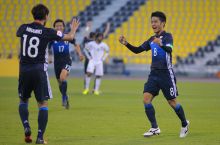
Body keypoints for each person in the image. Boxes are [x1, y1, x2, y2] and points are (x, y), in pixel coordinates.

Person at [119, 11, 189, 138]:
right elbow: (137, 50)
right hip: (153, 74)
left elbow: (170, 49)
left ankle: (185, 124)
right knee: (146, 99)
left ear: (163, 23)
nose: (153, 24)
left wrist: (161, 44)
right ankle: (154, 128)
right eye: (152, 22)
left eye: (156, 21)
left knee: (172, 102)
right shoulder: (151, 39)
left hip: (166, 74)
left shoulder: (168, 36)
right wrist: (126, 43)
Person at [16, 4, 79, 144]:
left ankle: (26, 126)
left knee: (23, 100)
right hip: (39, 71)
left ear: (33, 15)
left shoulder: (23, 28)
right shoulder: (48, 31)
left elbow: (20, 35)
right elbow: (69, 37)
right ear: (46, 17)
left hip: (24, 70)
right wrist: (73, 29)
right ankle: (39, 137)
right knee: (43, 104)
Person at [49, 19, 83, 109]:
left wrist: (80, 54)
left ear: (63, 27)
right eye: (57, 26)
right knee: (60, 84)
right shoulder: (52, 38)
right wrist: (49, 57)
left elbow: (76, 44)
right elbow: (48, 49)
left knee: (62, 77)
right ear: (54, 28)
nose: (59, 27)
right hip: (57, 63)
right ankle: (66, 97)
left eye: (61, 25)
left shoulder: (68, 36)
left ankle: (64, 97)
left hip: (66, 61)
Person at [82, 22, 110, 91]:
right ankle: (93, 88)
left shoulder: (87, 40)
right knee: (96, 74)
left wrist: (88, 27)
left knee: (88, 74)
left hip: (89, 59)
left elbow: (86, 33)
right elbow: (105, 34)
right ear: (95, 36)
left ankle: (87, 88)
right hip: (91, 59)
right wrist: (107, 27)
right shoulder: (92, 42)